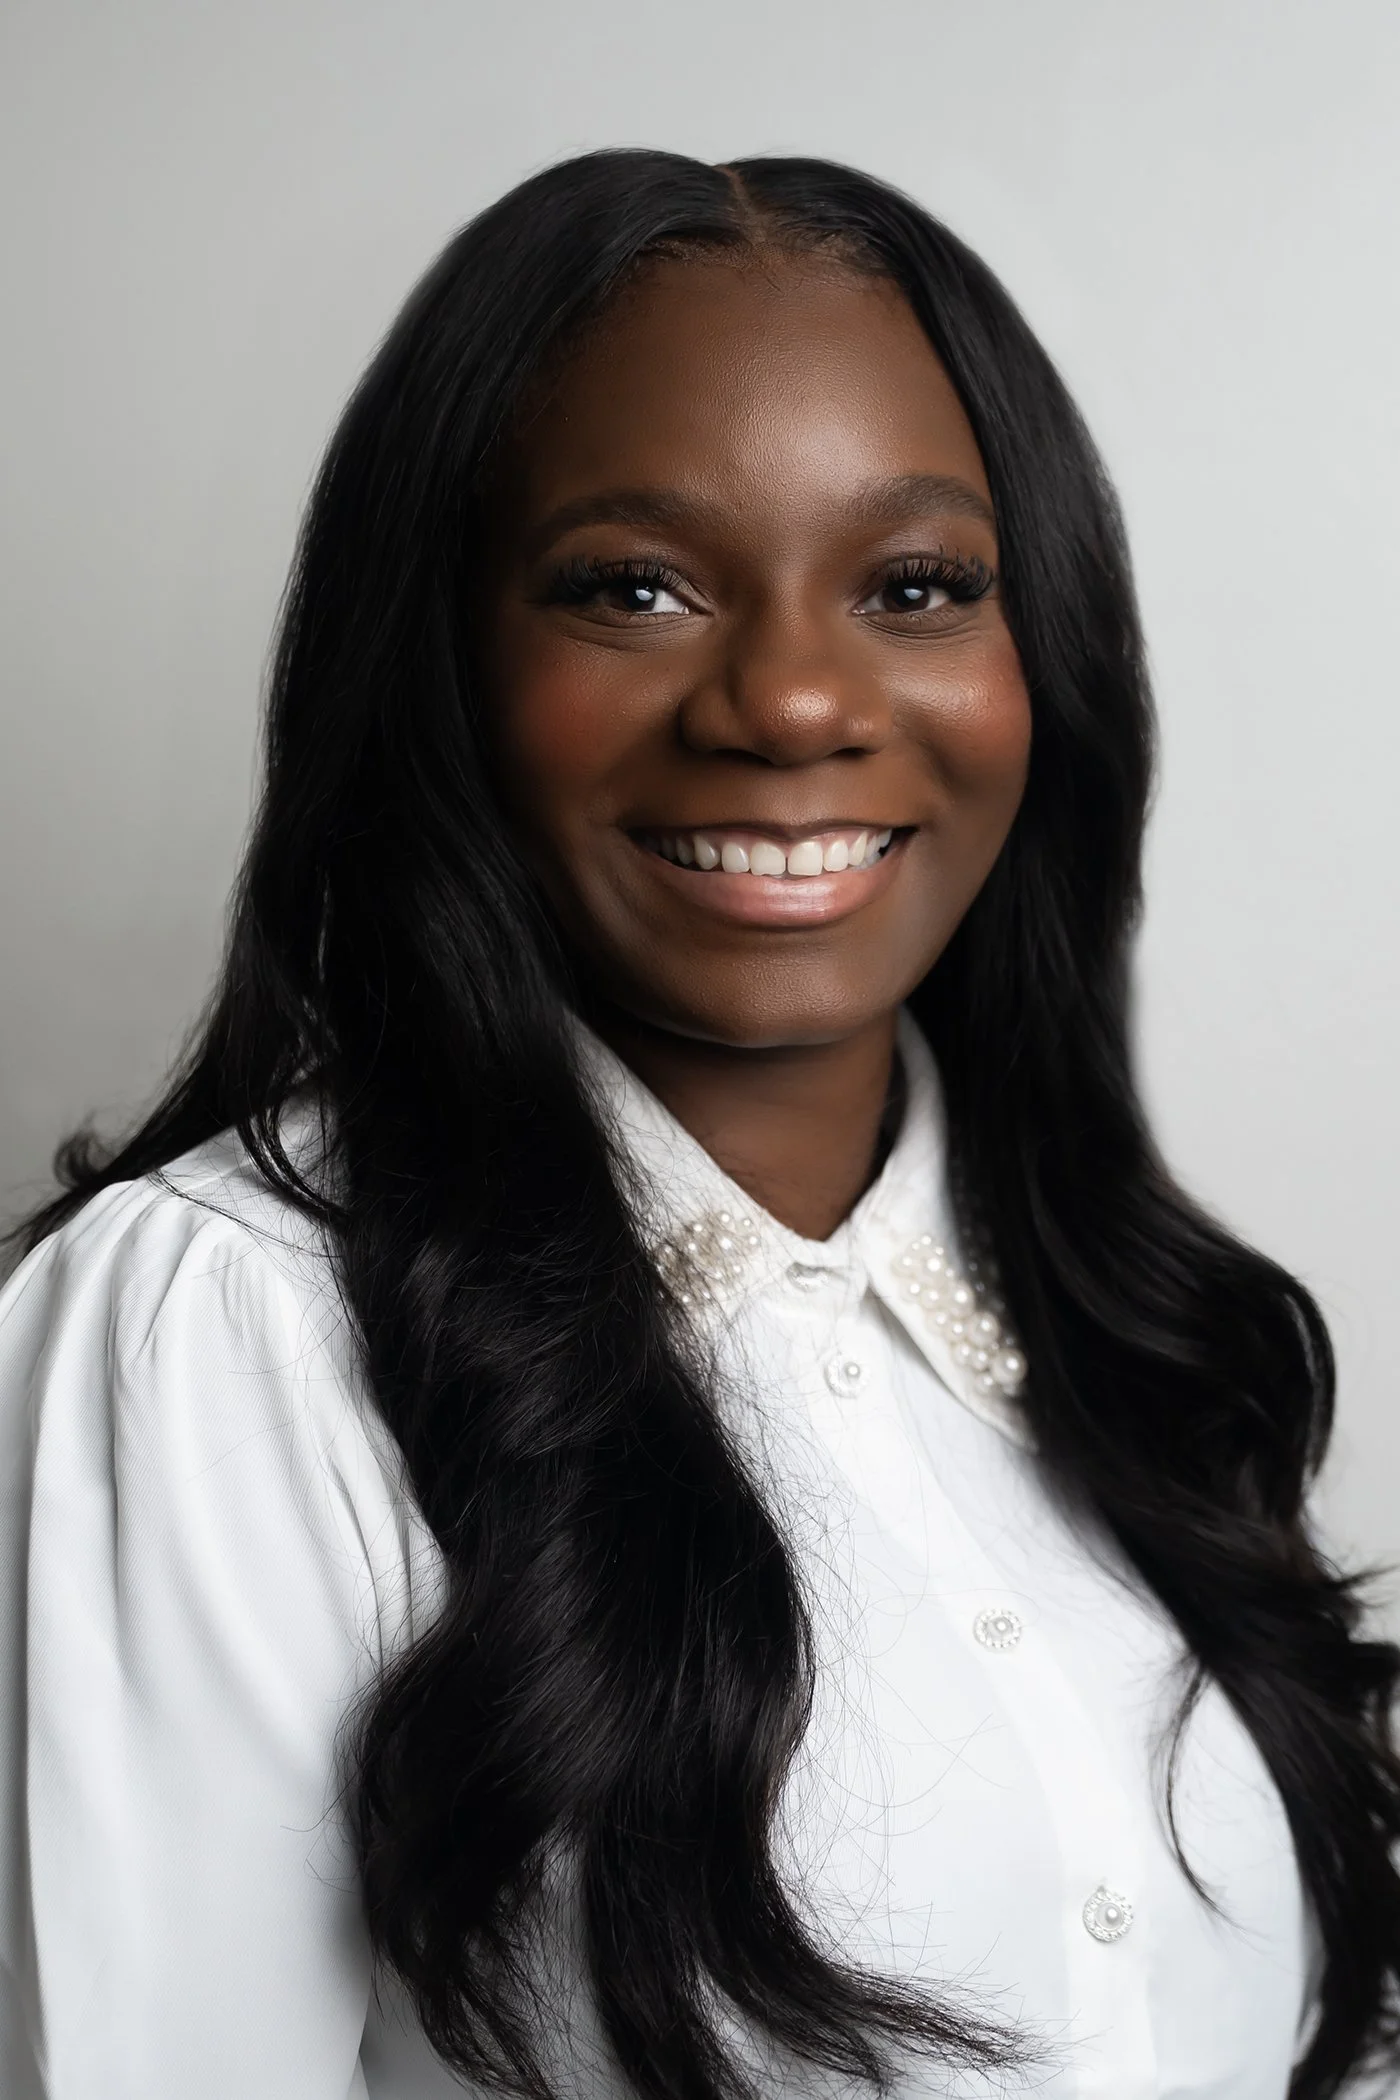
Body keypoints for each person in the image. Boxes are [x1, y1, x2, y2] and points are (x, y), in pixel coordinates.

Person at [0, 149, 1396, 2100]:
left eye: (914, 586)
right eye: (631, 588)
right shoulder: (225, 1333)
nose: (793, 700)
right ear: (442, 660)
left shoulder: (1126, 1318)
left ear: (1043, 658)